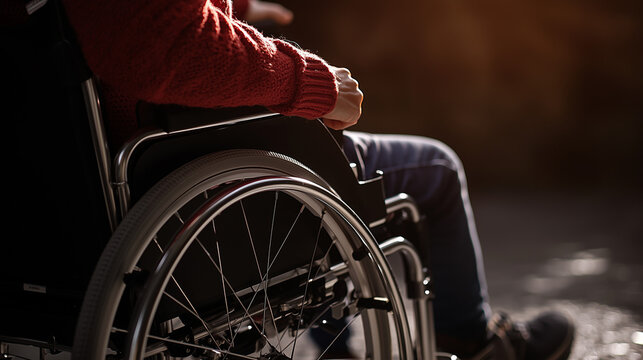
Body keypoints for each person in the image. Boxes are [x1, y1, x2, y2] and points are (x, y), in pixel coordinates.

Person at [52, 0, 574, 358]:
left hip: (60, 213)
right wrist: (307, 82)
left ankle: (339, 348)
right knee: (435, 168)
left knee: (315, 193)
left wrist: (235, 10)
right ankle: (478, 346)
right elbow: (161, 44)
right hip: (187, 181)